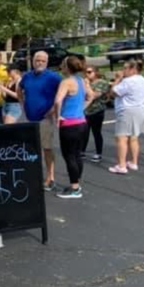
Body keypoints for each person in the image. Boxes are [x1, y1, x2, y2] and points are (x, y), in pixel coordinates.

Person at [18, 51, 63, 190]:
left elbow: (63, 95)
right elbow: (19, 89)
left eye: (43, 61)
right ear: (33, 61)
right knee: (32, 149)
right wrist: (22, 105)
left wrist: (53, 110)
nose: (40, 63)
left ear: (47, 62)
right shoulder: (27, 77)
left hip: (45, 119)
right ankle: (34, 175)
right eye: (37, 60)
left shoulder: (54, 77)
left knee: (47, 148)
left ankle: (50, 177)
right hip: (30, 118)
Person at [54, 57, 93, 199]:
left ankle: (75, 188)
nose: (61, 67)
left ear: (67, 67)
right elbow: (91, 96)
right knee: (77, 155)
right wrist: (81, 110)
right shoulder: (82, 81)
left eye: (62, 65)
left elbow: (58, 100)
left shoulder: (66, 82)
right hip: (81, 122)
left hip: (69, 124)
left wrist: (58, 116)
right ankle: (76, 183)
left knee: (69, 155)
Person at [108, 60, 144, 175]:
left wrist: (117, 79)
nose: (123, 71)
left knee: (121, 138)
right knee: (134, 137)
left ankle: (122, 166)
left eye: (125, 68)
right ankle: (134, 162)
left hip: (128, 111)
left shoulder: (128, 81)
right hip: (141, 110)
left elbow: (113, 93)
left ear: (133, 69)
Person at [81, 65, 110, 163]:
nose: (87, 74)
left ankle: (98, 153)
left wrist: (87, 85)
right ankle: (82, 151)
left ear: (96, 72)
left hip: (97, 111)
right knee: (84, 132)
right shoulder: (84, 83)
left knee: (96, 132)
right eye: (86, 72)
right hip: (85, 111)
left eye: (89, 72)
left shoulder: (102, 83)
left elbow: (94, 95)